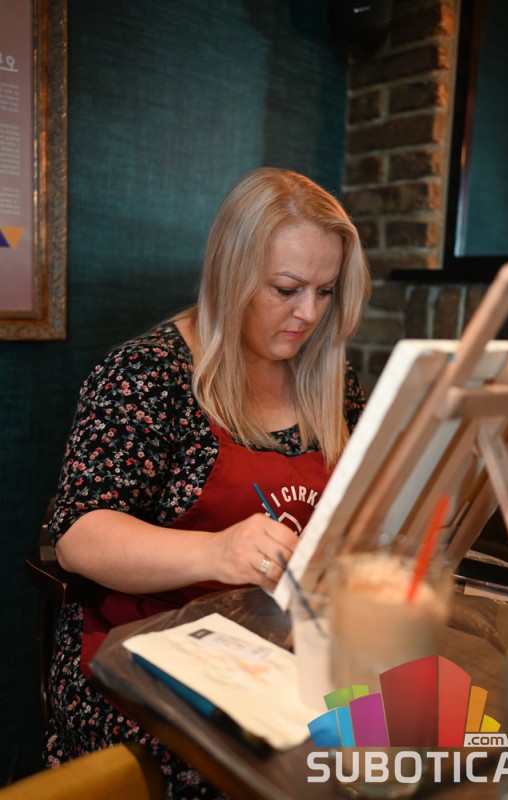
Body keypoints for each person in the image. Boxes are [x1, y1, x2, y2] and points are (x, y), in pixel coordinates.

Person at [44, 167, 370, 798]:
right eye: (286, 289)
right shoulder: (146, 374)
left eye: (326, 291)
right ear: (232, 274)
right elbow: (79, 536)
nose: (308, 313)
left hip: (283, 648)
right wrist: (217, 551)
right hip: (149, 659)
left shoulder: (329, 379)